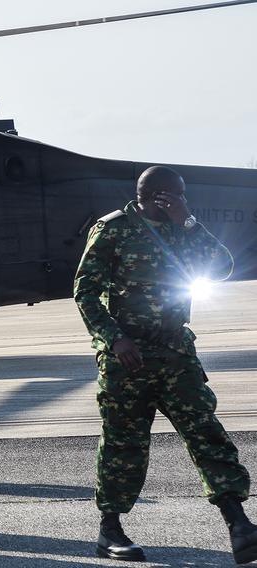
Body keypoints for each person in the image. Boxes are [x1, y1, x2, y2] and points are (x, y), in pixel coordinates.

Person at [74, 165, 257, 564]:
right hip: (129, 359)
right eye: (176, 195)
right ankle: (111, 530)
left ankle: (238, 523)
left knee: (206, 432)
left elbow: (223, 266)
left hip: (176, 353)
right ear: (155, 194)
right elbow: (84, 291)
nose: (181, 200)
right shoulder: (113, 230)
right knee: (125, 444)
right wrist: (114, 338)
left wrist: (186, 221)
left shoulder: (182, 227)